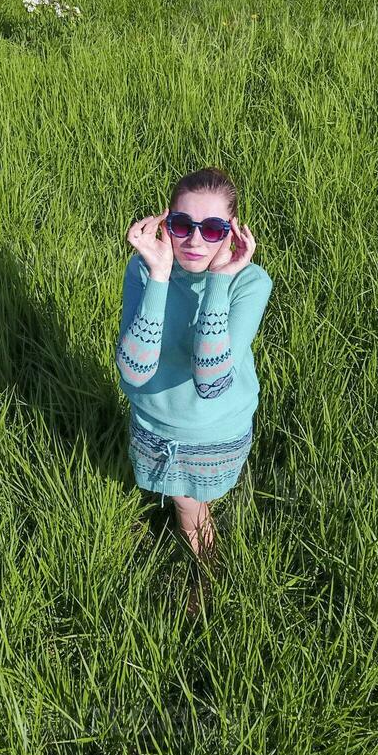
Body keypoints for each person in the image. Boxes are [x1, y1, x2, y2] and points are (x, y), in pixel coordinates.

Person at [115, 167, 273, 563]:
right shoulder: (144, 270)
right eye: (183, 224)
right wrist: (160, 276)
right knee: (185, 503)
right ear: (166, 223)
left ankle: (206, 573)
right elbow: (133, 370)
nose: (196, 240)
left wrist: (219, 279)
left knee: (188, 507)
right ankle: (204, 557)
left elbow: (211, 380)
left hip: (208, 431)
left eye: (214, 229)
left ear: (233, 232)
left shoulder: (250, 283)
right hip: (152, 423)